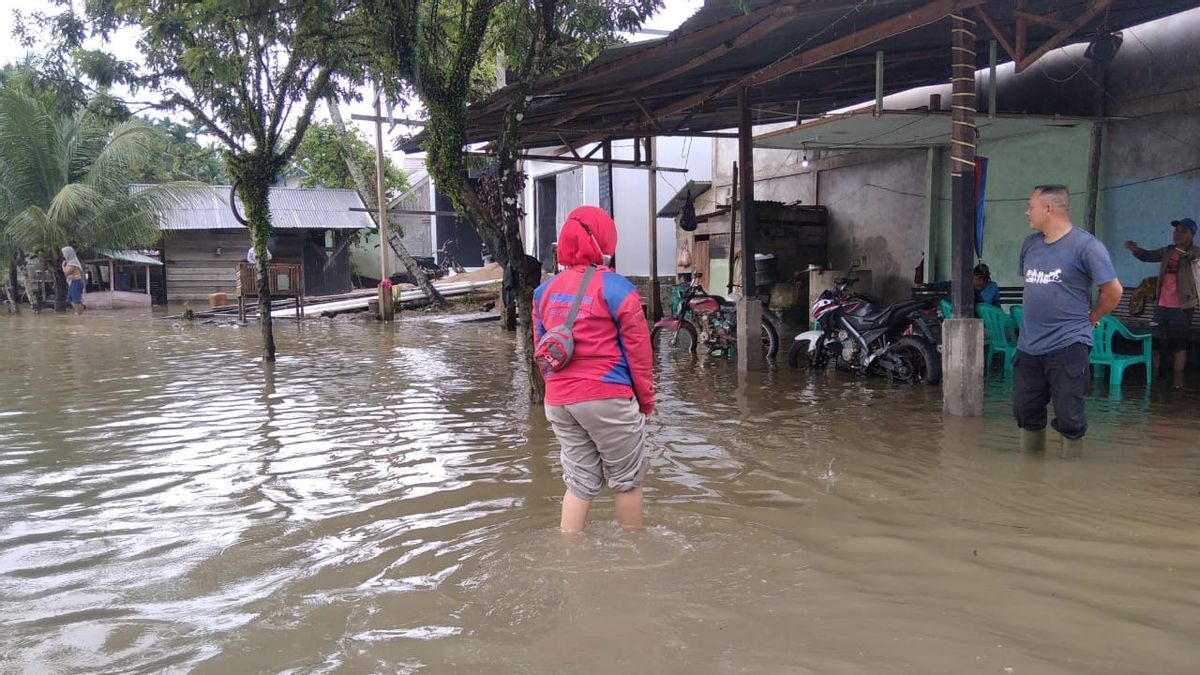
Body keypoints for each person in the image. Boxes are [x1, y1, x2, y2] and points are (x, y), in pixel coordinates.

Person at [532, 205, 654, 533]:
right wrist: (646, 402)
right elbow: (639, 355)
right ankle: (635, 554)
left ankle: (567, 552)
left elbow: (541, 352)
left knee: (580, 482)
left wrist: (558, 390)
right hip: (607, 396)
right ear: (604, 241)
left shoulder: (542, 292)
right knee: (627, 480)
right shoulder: (619, 289)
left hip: (558, 400)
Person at [1014, 185, 1122, 454]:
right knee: (1026, 414)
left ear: (1048, 209)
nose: (1027, 212)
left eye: (1031, 206)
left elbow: (1113, 291)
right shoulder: (1030, 244)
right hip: (1028, 346)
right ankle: (1031, 480)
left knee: (1069, 419)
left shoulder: (1086, 247)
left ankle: (1068, 483)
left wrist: (1092, 318)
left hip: (1068, 345)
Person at [1124, 217, 1200, 389]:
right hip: (1161, 306)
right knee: (1156, 342)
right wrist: (1136, 250)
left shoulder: (1195, 252)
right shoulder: (1168, 251)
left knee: (1179, 345)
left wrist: (1185, 253)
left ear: (1192, 235)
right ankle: (1155, 378)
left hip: (1182, 307)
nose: (1177, 234)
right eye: (1176, 230)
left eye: (1183, 231)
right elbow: (1148, 256)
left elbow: (1194, 257)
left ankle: (1177, 382)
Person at [61, 246, 85, 315]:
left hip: (76, 283)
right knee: (71, 299)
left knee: (76, 300)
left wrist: (63, 266)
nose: (63, 255)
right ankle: (78, 313)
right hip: (72, 283)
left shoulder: (73, 262)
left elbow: (66, 273)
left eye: (64, 253)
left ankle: (79, 314)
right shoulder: (70, 262)